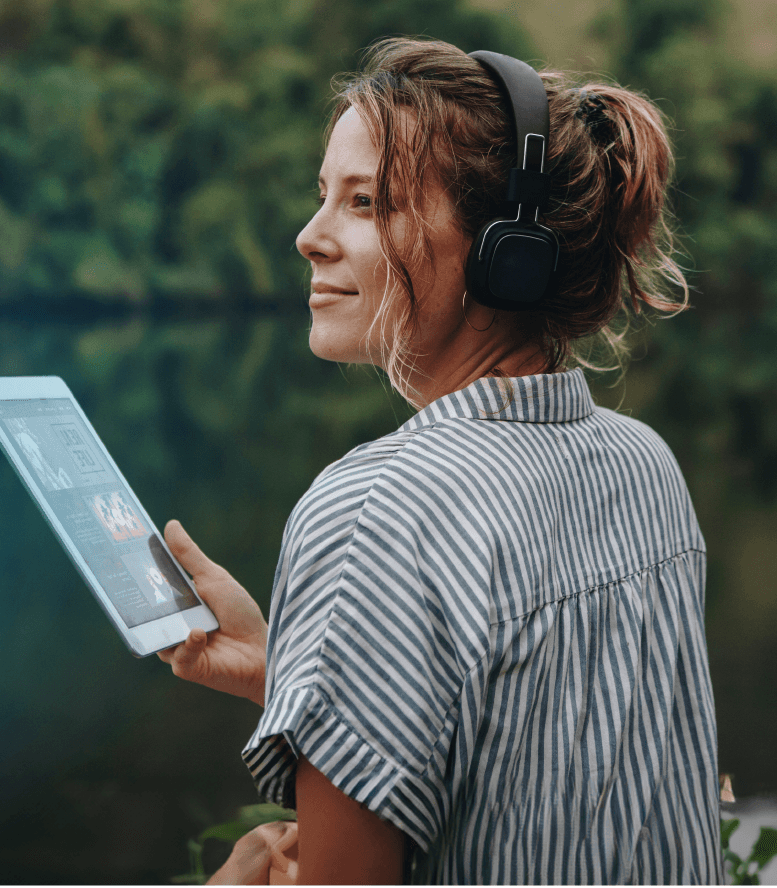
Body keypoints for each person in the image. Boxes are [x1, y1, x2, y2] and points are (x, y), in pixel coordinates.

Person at [158, 37, 720, 885]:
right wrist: (293, 666)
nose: (308, 237)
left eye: (366, 203)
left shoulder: (373, 507)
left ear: (506, 251)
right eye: (322, 198)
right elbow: (541, 748)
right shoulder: (641, 462)